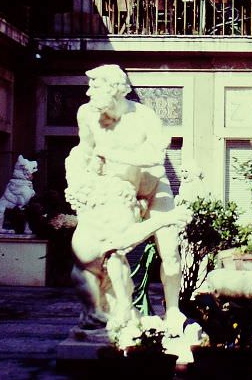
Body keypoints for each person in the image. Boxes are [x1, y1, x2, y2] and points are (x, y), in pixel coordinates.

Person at [65, 64, 191, 331]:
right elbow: (85, 151)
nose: (88, 92)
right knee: (108, 251)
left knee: (168, 250)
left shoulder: (142, 116)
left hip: (152, 185)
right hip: (116, 190)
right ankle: (111, 309)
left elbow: (155, 157)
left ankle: (173, 311)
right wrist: (78, 179)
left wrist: (111, 154)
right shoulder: (86, 114)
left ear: (115, 89)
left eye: (95, 86)